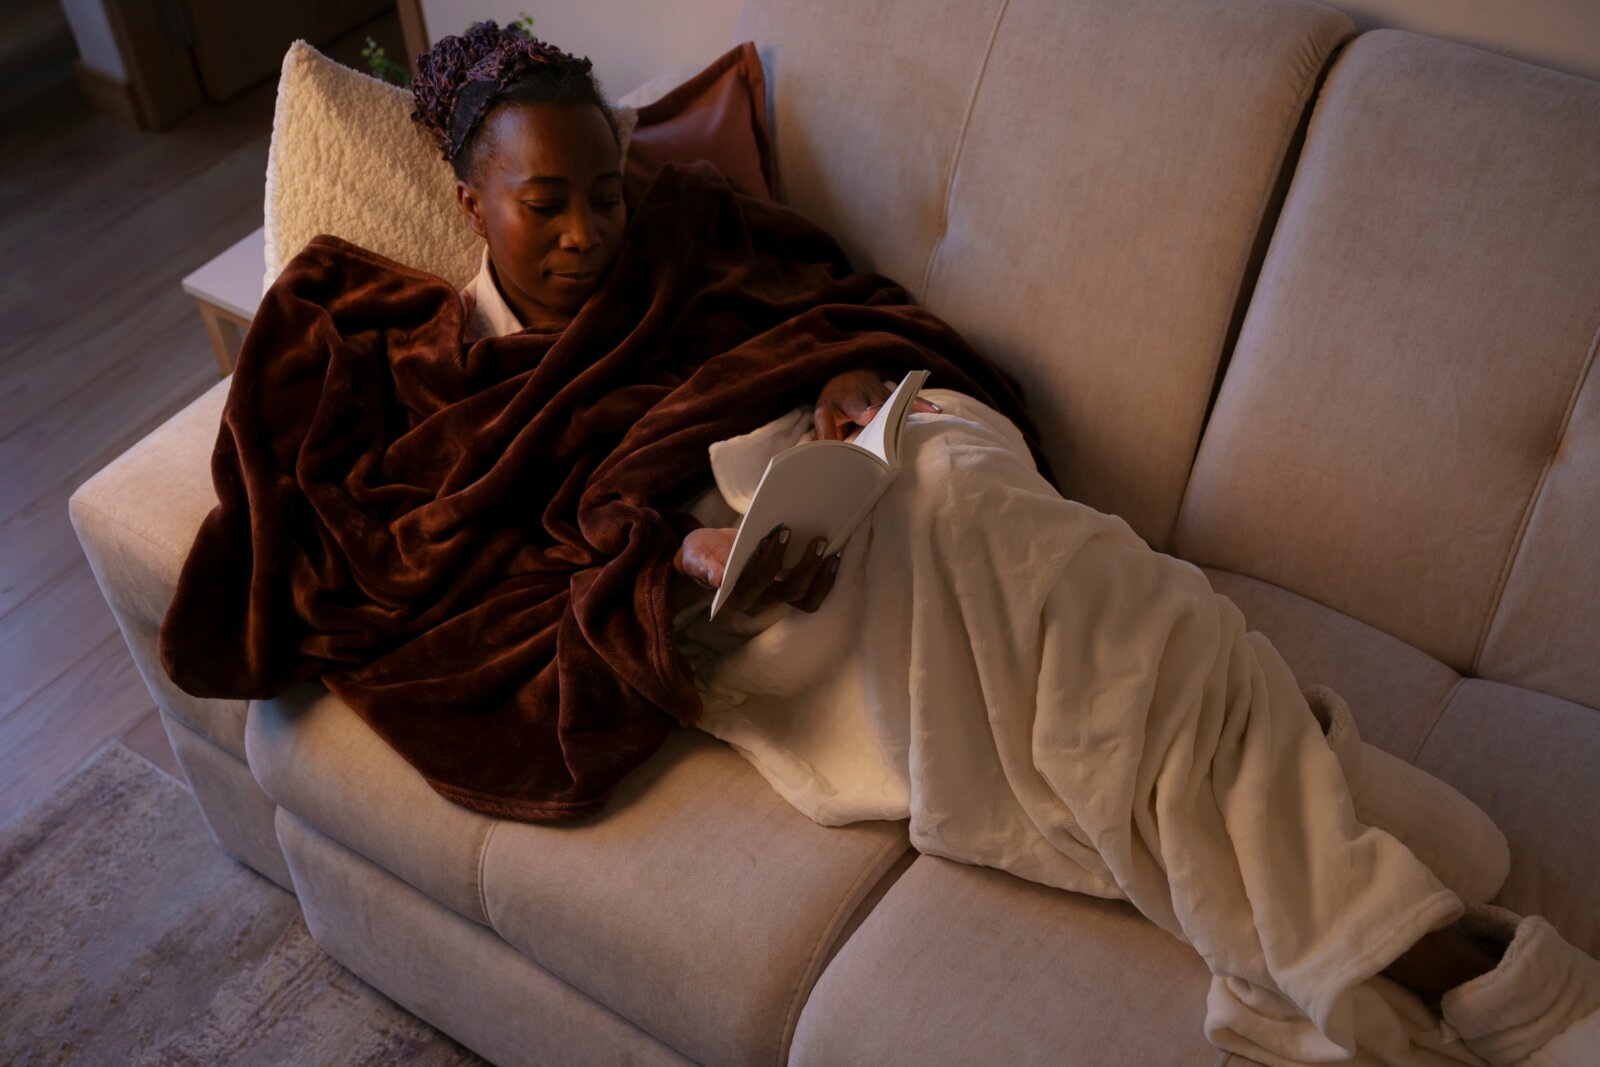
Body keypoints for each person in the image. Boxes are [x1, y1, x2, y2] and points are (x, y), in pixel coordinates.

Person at [410, 22, 1600, 1067]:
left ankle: (1396, 930)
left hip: (874, 443)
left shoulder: (689, 225)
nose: (590, 232)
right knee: (1073, 631)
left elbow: (823, 300)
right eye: (546, 203)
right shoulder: (457, 381)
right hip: (765, 573)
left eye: (607, 193)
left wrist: (849, 373)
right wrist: (675, 561)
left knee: (1003, 520)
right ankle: (1425, 931)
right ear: (473, 203)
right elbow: (507, 571)